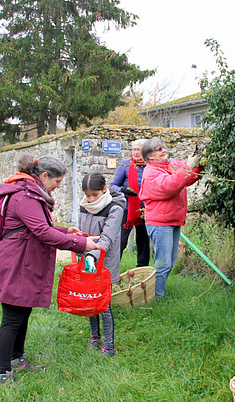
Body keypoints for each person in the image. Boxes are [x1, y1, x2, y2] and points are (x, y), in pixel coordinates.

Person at [0, 154, 101, 385]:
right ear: (44, 176)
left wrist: (66, 231)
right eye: (57, 182)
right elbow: (41, 231)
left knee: (22, 314)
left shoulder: (29, 191)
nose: (58, 187)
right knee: (11, 319)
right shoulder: (25, 195)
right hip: (14, 265)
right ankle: (2, 374)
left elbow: (37, 225)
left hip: (20, 262)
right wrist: (81, 244)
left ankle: (17, 359)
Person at [139, 138, 204, 298]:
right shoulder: (151, 174)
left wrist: (199, 165)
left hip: (173, 219)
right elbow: (171, 185)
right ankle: (156, 297)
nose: (163, 151)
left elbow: (187, 177)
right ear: (150, 155)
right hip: (160, 223)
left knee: (171, 261)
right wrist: (190, 165)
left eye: (163, 147)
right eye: (159, 149)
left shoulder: (170, 165)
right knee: (163, 263)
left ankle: (154, 292)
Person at [78, 172, 125, 356]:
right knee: (90, 300)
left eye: (94, 195)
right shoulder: (84, 206)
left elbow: (107, 238)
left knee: (103, 303)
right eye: (87, 195)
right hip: (87, 261)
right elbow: (82, 232)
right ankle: (95, 338)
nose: (90, 199)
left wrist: (93, 256)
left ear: (104, 190)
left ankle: (110, 346)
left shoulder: (115, 208)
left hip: (104, 261)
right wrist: (79, 249)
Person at [110, 139, 151, 268]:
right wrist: (123, 190)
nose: (136, 152)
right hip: (127, 209)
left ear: (145, 151)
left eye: (139, 149)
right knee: (121, 240)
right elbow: (113, 186)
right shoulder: (125, 165)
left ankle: (142, 271)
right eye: (134, 149)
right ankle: (112, 270)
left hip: (145, 210)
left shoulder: (150, 166)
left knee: (143, 242)